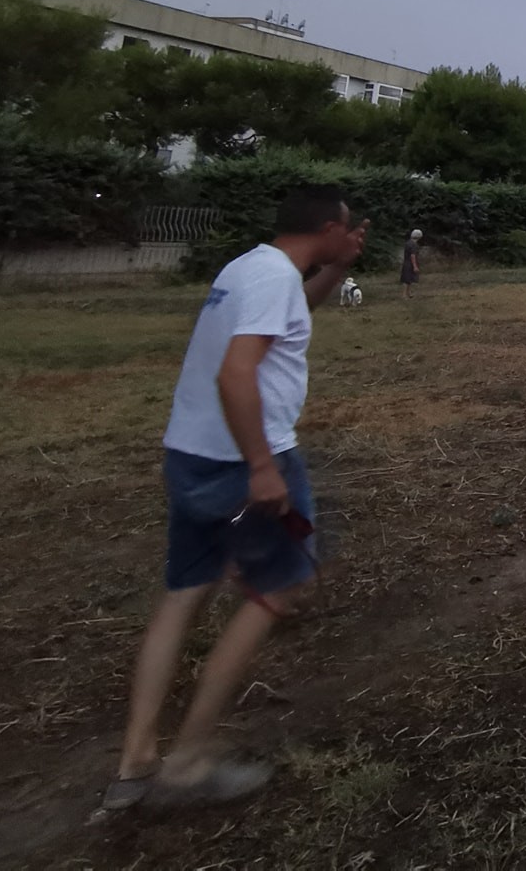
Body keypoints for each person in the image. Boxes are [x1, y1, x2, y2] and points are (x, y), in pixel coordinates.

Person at [102, 185, 367, 810]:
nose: (351, 235)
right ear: (328, 228)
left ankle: (136, 761)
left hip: (189, 455)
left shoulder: (252, 268)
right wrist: (262, 466)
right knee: (281, 586)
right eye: (346, 229)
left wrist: (336, 271)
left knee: (185, 594)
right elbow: (236, 370)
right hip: (242, 460)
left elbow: (289, 316)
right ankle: (189, 762)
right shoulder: (272, 278)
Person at [400, 227, 423, 299]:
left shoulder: (408, 243)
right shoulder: (414, 245)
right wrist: (415, 266)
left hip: (406, 262)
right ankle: (404, 295)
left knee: (409, 279)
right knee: (407, 280)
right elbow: (413, 255)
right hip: (410, 263)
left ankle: (409, 293)